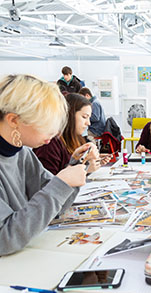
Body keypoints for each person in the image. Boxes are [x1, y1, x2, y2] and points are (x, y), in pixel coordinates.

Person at [0, 74, 87, 256]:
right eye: (45, 124)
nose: (54, 133)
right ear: (13, 120)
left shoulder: (22, 153)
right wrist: (61, 183)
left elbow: (55, 207)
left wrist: (74, 168)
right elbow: (4, 238)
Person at [34, 93, 109, 175]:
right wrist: (85, 169)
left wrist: (94, 161)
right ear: (69, 115)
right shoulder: (50, 144)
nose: (88, 123)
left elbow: (75, 165)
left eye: (89, 118)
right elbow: (49, 183)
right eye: (84, 117)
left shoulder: (78, 139)